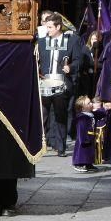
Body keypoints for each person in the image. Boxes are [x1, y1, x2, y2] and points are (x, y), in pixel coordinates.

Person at [37, 13, 83, 156]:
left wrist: (70, 67)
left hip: (61, 82)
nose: (47, 29)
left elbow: (78, 60)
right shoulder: (42, 41)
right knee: (42, 115)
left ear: (58, 27)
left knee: (60, 115)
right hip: (44, 82)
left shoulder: (72, 40)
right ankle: (40, 144)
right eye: (46, 26)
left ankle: (60, 146)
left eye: (50, 27)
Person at [72, 96, 98, 172]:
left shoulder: (90, 114)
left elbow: (100, 114)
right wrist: (84, 139)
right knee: (82, 152)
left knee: (89, 152)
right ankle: (79, 164)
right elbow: (81, 130)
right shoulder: (82, 117)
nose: (91, 104)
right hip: (84, 139)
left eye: (91, 102)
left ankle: (88, 164)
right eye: (88, 103)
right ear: (82, 108)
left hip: (90, 137)